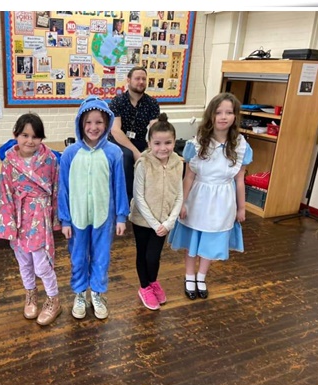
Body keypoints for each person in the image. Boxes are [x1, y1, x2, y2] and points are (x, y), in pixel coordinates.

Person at [168, 93, 253, 300]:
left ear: (235, 116)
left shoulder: (241, 145)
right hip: (198, 198)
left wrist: (241, 207)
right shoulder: (197, 143)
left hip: (223, 200)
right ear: (211, 115)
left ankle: (201, 277)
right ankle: (189, 276)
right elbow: (188, 177)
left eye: (229, 112)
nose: (223, 117)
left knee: (210, 242)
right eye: (218, 112)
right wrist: (182, 203)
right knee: (193, 240)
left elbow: (240, 180)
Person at [58, 96, 129, 320]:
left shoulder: (114, 153)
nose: (93, 127)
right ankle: (80, 293)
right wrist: (65, 220)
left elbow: (119, 186)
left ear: (107, 123)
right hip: (77, 217)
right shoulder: (69, 154)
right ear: (80, 123)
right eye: (88, 122)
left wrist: (121, 216)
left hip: (103, 217)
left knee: (101, 257)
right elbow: (63, 189)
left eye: (99, 122)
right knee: (78, 256)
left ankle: (97, 293)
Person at [0, 113, 62, 326]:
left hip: (39, 215)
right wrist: (8, 225)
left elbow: (56, 189)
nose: (30, 141)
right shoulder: (8, 162)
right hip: (17, 215)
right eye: (25, 135)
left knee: (42, 263)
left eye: (35, 136)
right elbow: (5, 194)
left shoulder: (50, 159)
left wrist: (56, 218)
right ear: (15, 135)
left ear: (41, 138)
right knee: (24, 261)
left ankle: (53, 299)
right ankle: (31, 294)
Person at [129, 114, 183, 310]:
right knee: (143, 254)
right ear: (149, 143)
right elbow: (138, 196)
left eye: (168, 143)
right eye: (157, 143)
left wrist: (169, 222)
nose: (163, 148)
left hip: (164, 221)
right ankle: (144, 286)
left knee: (154, 256)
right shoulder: (143, 163)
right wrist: (154, 223)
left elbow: (179, 195)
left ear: (174, 142)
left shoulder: (178, 163)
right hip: (143, 221)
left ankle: (153, 282)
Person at [109, 66, 161, 202]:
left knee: (155, 156)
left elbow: (155, 129)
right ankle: (128, 200)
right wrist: (135, 152)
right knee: (126, 156)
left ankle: (150, 198)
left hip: (139, 141)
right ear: (128, 80)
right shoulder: (117, 101)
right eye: (137, 78)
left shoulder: (152, 103)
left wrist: (154, 147)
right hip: (118, 142)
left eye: (144, 79)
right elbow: (115, 130)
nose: (141, 82)